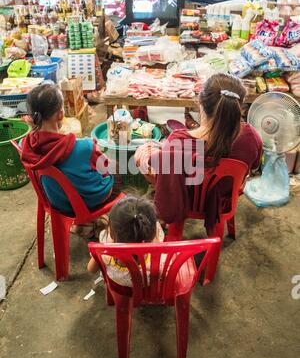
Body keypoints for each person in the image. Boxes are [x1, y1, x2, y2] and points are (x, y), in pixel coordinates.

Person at [135, 73, 263, 232]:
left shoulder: (178, 140)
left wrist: (151, 152)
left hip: (186, 198)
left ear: (201, 104)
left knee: (147, 151)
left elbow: (159, 167)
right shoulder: (251, 138)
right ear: (241, 108)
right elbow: (255, 166)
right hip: (225, 197)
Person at [20, 84, 121, 232]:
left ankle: (84, 225)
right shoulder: (84, 146)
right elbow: (104, 167)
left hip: (55, 201)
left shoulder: (25, 145)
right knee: (117, 167)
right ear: (61, 114)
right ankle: (98, 221)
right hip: (86, 203)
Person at [88, 196, 164, 287]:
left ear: (112, 233)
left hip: (119, 280)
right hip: (147, 281)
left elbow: (91, 269)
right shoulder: (155, 240)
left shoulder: (104, 248)